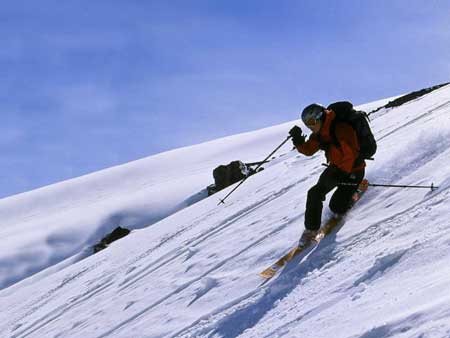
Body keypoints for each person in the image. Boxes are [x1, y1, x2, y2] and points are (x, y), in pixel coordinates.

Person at [289, 103, 365, 246]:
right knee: (314, 193)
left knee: (336, 208)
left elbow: (351, 154)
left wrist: (343, 173)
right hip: (335, 169)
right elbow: (309, 150)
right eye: (307, 124)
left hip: (354, 170)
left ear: (320, 117)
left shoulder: (341, 128)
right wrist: (298, 140)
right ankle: (311, 231)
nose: (310, 126)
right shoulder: (320, 134)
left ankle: (351, 194)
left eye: (311, 122)